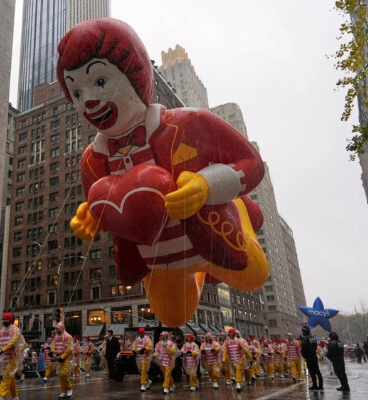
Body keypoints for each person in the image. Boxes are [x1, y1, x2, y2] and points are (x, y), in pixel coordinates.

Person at [59, 17, 268, 329]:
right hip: (159, 259)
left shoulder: (189, 123)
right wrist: (91, 215)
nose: (87, 100)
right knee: (172, 317)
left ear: (135, 72)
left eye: (100, 82)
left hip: (213, 234)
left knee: (253, 275)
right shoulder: (92, 161)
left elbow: (251, 164)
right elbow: (105, 207)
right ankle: (193, 274)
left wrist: (206, 185)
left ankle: (238, 212)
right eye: (76, 93)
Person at [0, 313, 22, 400]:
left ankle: (1, 395)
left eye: (7, 319)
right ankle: (15, 396)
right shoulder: (0, 331)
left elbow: (12, 342)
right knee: (10, 376)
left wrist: (3, 349)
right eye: (4, 319)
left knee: (6, 376)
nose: (5, 320)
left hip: (13, 357)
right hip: (3, 358)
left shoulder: (15, 330)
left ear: (11, 320)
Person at [222, 328, 251, 393]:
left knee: (238, 370)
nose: (231, 335)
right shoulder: (227, 342)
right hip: (232, 360)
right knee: (236, 372)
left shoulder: (239, 341)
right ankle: (240, 383)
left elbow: (245, 350)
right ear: (229, 334)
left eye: (233, 334)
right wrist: (223, 359)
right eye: (230, 334)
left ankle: (238, 384)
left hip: (240, 359)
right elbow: (225, 351)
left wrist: (249, 357)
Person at [53, 322, 73, 398]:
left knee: (64, 374)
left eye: (57, 329)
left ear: (61, 328)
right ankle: (63, 391)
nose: (56, 330)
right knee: (60, 375)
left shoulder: (68, 337)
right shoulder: (56, 337)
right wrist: (52, 352)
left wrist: (63, 356)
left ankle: (69, 388)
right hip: (59, 358)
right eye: (56, 329)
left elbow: (69, 349)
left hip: (66, 358)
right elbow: (53, 345)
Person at [131, 328, 153, 392]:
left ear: (144, 333)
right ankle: (148, 381)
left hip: (145, 357)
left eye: (142, 333)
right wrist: (133, 351)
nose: (140, 334)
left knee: (143, 370)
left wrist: (145, 349)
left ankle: (143, 384)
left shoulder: (147, 339)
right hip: (138, 358)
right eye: (139, 333)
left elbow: (150, 347)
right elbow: (134, 346)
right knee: (140, 371)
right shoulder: (137, 339)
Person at [301, 325, 323, 391]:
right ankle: (320, 385)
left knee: (312, 372)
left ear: (304, 332)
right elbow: (315, 347)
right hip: (314, 356)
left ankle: (315, 385)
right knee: (317, 371)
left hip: (309, 357)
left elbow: (303, 349)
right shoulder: (313, 338)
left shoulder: (305, 339)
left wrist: (305, 356)